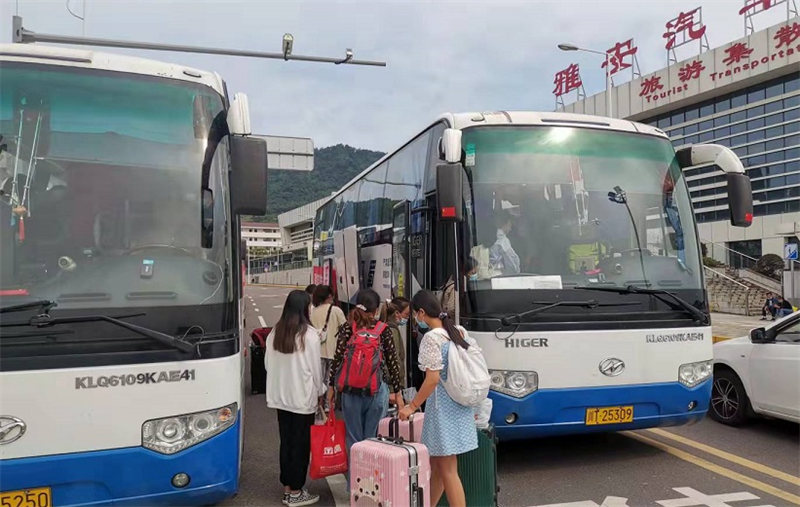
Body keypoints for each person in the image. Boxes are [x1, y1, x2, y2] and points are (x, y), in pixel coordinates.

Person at [399, 290, 479, 507]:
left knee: (448, 470)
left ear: (421, 312)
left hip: (443, 409)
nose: (415, 319)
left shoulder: (431, 338)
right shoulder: (457, 331)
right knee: (438, 467)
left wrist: (412, 406)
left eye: (415, 314)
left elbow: (432, 379)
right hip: (459, 405)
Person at [326, 288, 405, 491]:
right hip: (376, 392)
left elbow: (337, 359)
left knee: (354, 440)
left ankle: (354, 488)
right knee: (373, 441)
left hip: (350, 393)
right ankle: (372, 489)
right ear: (376, 309)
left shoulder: (347, 328)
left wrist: (331, 387)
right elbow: (393, 364)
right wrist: (398, 393)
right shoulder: (383, 329)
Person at [264, 290, 325, 506]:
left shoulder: (276, 332)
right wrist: (320, 391)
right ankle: (297, 492)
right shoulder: (309, 335)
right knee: (300, 446)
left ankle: (288, 489)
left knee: (287, 442)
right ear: (304, 308)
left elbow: (267, 364)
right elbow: (316, 370)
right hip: (302, 399)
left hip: (280, 397)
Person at [310, 285, 347, 409]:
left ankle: (317, 404)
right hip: (333, 351)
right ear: (329, 296)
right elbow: (345, 328)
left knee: (318, 380)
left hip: (317, 352)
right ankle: (328, 405)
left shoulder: (313, 312)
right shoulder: (336, 310)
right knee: (331, 380)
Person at [382, 297, 410, 389]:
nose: (408, 318)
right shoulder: (392, 330)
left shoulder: (387, 327)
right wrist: (396, 387)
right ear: (397, 313)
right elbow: (395, 359)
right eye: (406, 314)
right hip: (391, 386)